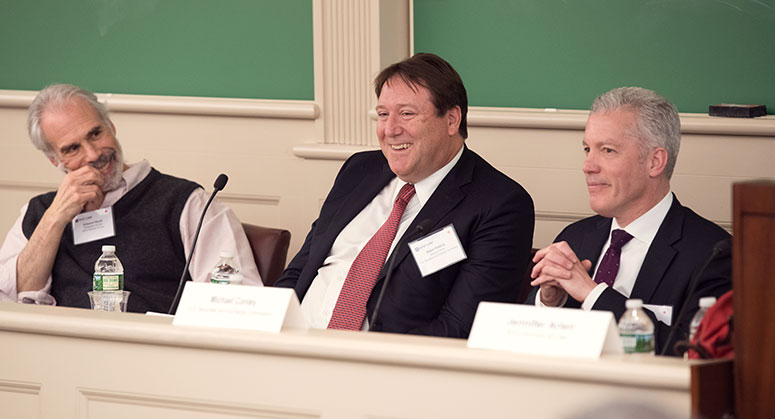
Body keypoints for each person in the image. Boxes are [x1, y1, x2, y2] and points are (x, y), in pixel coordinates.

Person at [275, 53, 534, 338]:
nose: (390, 130)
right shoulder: (359, 170)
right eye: (383, 114)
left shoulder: (499, 205)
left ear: (451, 120)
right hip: (293, 346)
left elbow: (460, 329)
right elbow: (302, 268)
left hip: (382, 369)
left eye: (407, 114)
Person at [0, 84, 261, 313]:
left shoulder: (187, 204)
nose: (92, 154)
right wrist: (56, 218)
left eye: (95, 134)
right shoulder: (39, 213)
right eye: (72, 148)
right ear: (55, 160)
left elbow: (239, 303)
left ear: (111, 127)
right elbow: (10, 298)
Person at [527, 87, 731, 355]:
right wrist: (549, 302)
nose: (588, 165)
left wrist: (592, 294)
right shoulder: (575, 237)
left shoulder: (713, 253)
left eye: (607, 150)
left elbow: (691, 354)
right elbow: (524, 341)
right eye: (587, 149)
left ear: (655, 162)